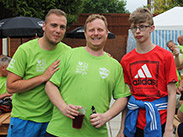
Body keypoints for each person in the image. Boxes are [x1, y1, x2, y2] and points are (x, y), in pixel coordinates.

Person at [44, 14, 131, 137]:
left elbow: (122, 97)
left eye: (100, 30)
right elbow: (50, 85)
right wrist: (63, 108)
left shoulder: (115, 65)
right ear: (85, 33)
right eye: (91, 30)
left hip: (95, 133)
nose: (96, 33)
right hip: (59, 132)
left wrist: (106, 116)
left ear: (106, 33)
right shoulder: (69, 55)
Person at [6, 9, 71, 137]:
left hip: (53, 122)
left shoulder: (68, 52)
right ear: (44, 26)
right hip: (25, 119)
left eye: (62, 27)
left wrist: (100, 57)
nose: (58, 30)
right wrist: (43, 77)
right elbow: (10, 86)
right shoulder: (25, 50)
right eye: (53, 25)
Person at [117, 8, 178, 137]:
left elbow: (172, 94)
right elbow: (127, 96)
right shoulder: (126, 60)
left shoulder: (165, 56)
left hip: (160, 120)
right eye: (134, 27)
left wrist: (168, 129)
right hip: (134, 121)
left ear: (152, 28)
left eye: (142, 27)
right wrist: (122, 128)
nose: (138, 31)